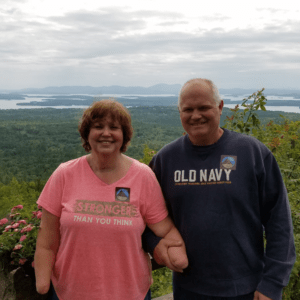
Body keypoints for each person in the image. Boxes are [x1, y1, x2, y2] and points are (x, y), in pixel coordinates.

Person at [143, 78, 296, 300]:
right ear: (179, 112)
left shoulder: (252, 154)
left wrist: (272, 283)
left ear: (220, 107)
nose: (196, 115)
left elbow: (279, 221)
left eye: (204, 107)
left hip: (248, 289)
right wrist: (155, 244)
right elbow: (141, 215)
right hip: (188, 290)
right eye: (188, 109)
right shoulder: (165, 161)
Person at [34, 99, 188, 300]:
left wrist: (175, 248)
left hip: (130, 293)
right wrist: (42, 283)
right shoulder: (64, 174)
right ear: (87, 134)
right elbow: (47, 240)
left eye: (114, 127)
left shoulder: (142, 177)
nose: (106, 133)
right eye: (98, 127)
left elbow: (165, 229)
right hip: (71, 293)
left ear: (123, 136)